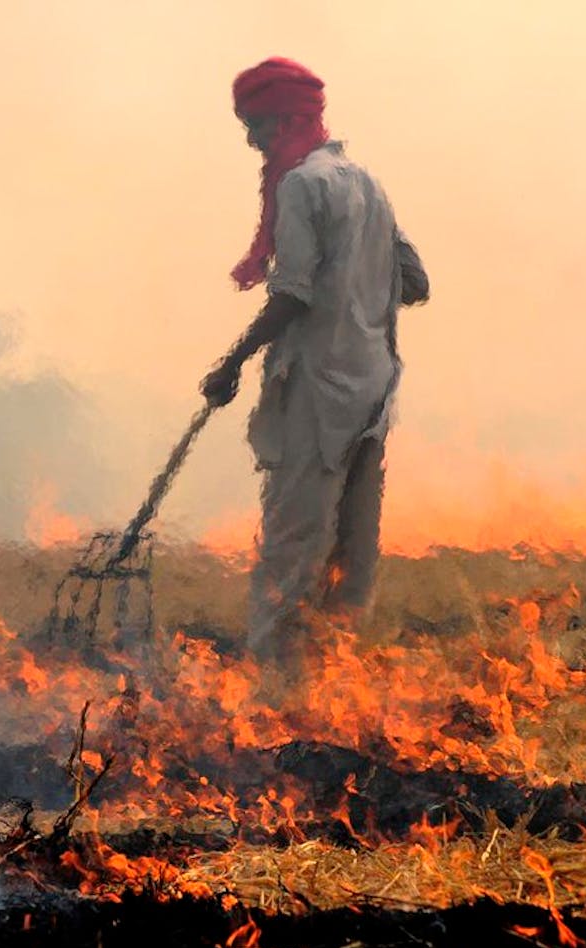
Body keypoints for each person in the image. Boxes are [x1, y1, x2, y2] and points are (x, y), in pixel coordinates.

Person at [200, 56, 429, 694]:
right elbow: (417, 281)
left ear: (288, 119)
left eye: (258, 126)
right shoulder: (367, 183)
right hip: (374, 392)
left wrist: (232, 363)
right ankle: (335, 689)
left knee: (293, 545)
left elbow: (292, 292)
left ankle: (273, 692)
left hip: (318, 391)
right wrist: (361, 286)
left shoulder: (302, 185)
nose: (252, 140)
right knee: (352, 554)